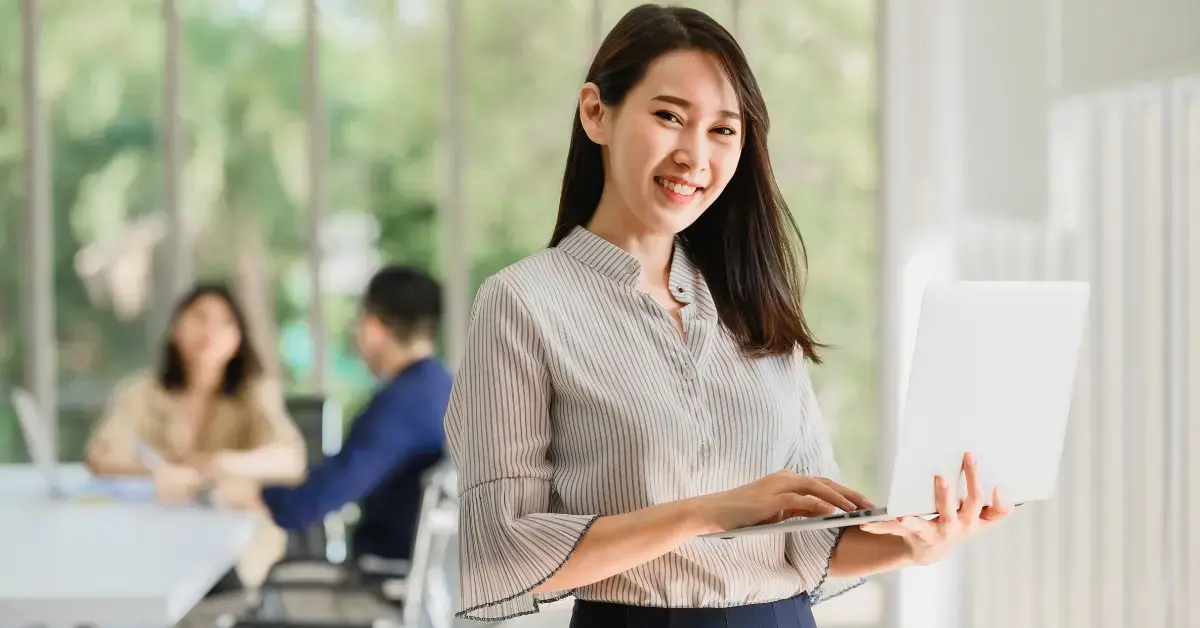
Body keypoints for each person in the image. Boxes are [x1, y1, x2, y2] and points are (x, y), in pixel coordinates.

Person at [444, 5, 1012, 627]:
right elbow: (498, 552)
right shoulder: (523, 303)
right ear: (595, 112)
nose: (694, 155)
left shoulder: (749, 300)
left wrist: (912, 543)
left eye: (723, 130)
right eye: (669, 117)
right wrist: (708, 512)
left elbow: (808, 539)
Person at [212, 266, 453, 565]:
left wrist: (250, 494)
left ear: (371, 327)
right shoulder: (443, 388)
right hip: (429, 581)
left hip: (381, 579)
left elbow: (311, 504)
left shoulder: (398, 406)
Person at [85, 282, 306, 590]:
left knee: (206, 587)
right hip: (157, 533)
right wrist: (158, 471)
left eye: (225, 322)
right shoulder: (143, 391)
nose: (209, 331)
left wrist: (219, 464)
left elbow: (291, 460)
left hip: (235, 541)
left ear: (239, 337)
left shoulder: (255, 393)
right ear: (177, 327)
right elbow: (101, 454)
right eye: (199, 317)